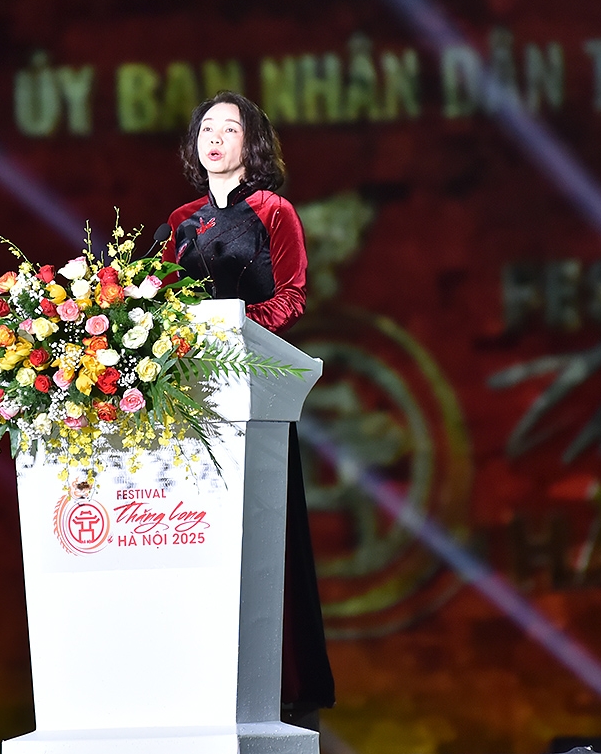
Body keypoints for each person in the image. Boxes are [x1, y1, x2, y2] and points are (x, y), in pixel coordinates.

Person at [162, 92, 335, 731]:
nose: (214, 138)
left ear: (251, 143)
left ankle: (279, 687)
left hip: (252, 388)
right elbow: (159, 301)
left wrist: (228, 329)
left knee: (263, 536)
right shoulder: (181, 220)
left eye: (229, 129)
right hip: (192, 396)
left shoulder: (273, 212)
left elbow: (291, 296)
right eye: (206, 128)